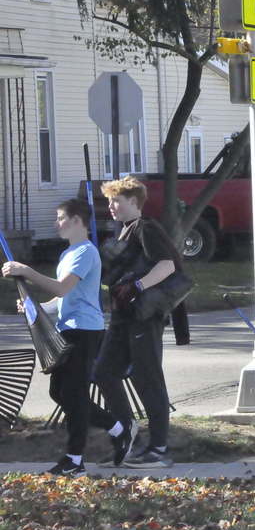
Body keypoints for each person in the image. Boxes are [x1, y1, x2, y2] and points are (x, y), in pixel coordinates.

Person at [1, 199, 133, 476]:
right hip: (68, 328)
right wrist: (34, 307)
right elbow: (62, 300)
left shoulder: (86, 252)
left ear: (76, 221)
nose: (56, 223)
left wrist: (25, 270)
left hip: (84, 331)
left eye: (60, 218)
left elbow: (62, 288)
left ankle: (74, 461)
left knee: (72, 393)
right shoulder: (69, 254)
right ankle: (120, 429)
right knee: (59, 392)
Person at [95, 176, 180, 468]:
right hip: (122, 317)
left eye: (116, 201)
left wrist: (138, 287)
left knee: (148, 379)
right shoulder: (125, 232)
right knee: (104, 371)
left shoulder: (147, 229)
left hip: (144, 316)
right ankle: (128, 431)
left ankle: (158, 449)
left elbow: (167, 265)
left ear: (134, 202)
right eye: (109, 201)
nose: (111, 206)